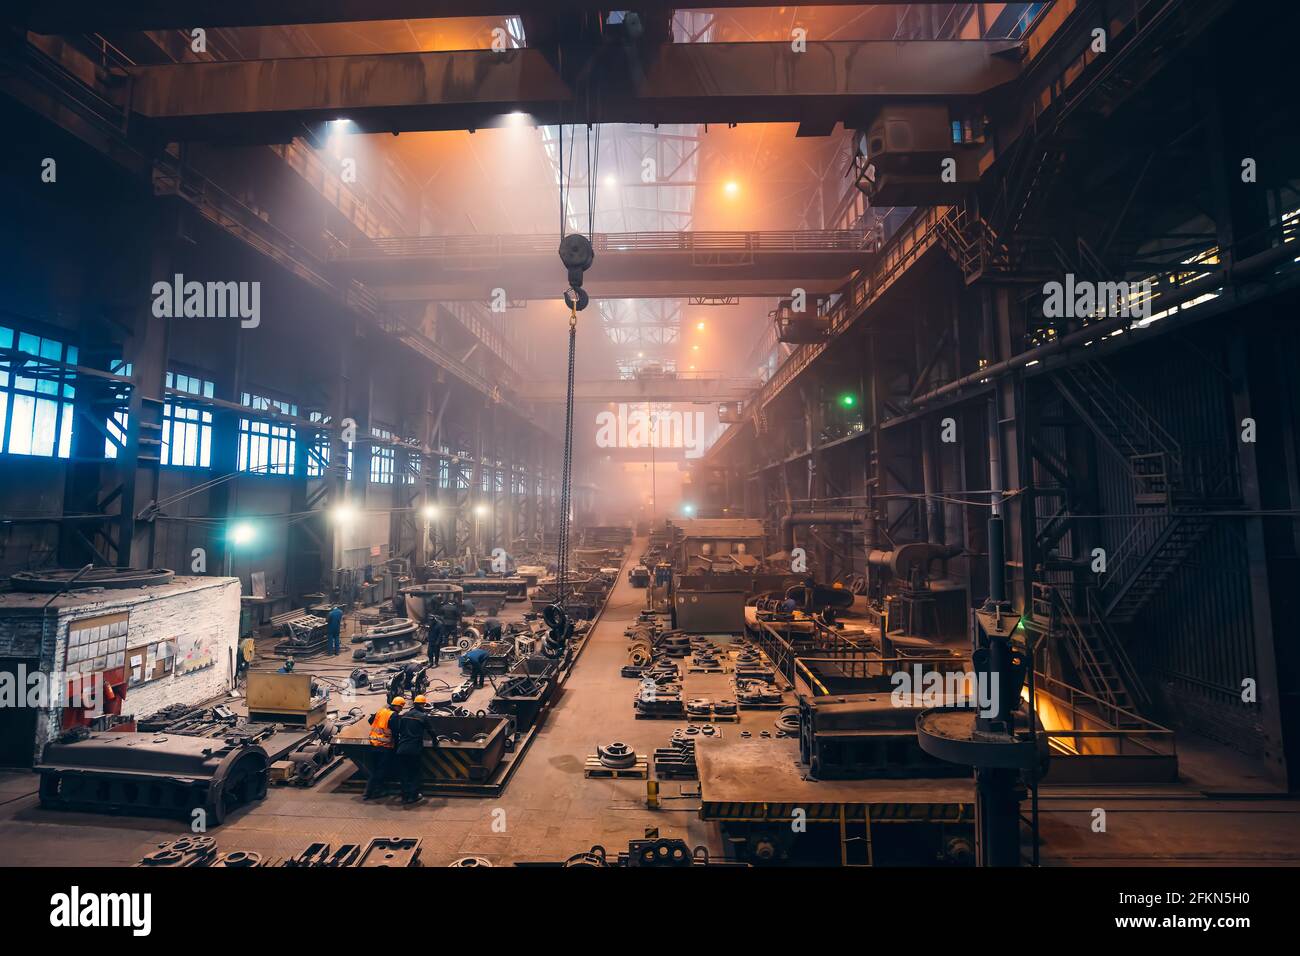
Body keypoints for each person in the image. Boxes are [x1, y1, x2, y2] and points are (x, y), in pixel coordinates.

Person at [392, 694, 432, 804]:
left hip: (401, 749)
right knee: (415, 773)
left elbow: (399, 730)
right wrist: (436, 741)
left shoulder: (404, 715)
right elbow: (430, 730)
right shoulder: (423, 717)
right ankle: (413, 796)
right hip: (414, 749)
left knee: (404, 773)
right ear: (423, 705)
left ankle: (405, 796)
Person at [364, 696, 402, 800]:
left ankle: (367, 792)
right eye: (401, 708)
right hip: (385, 746)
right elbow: (396, 732)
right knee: (381, 770)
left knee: (374, 770)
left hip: (374, 744)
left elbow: (370, 720)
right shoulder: (393, 715)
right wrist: (397, 746)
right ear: (398, 706)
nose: (401, 710)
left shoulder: (380, 711)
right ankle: (377, 792)